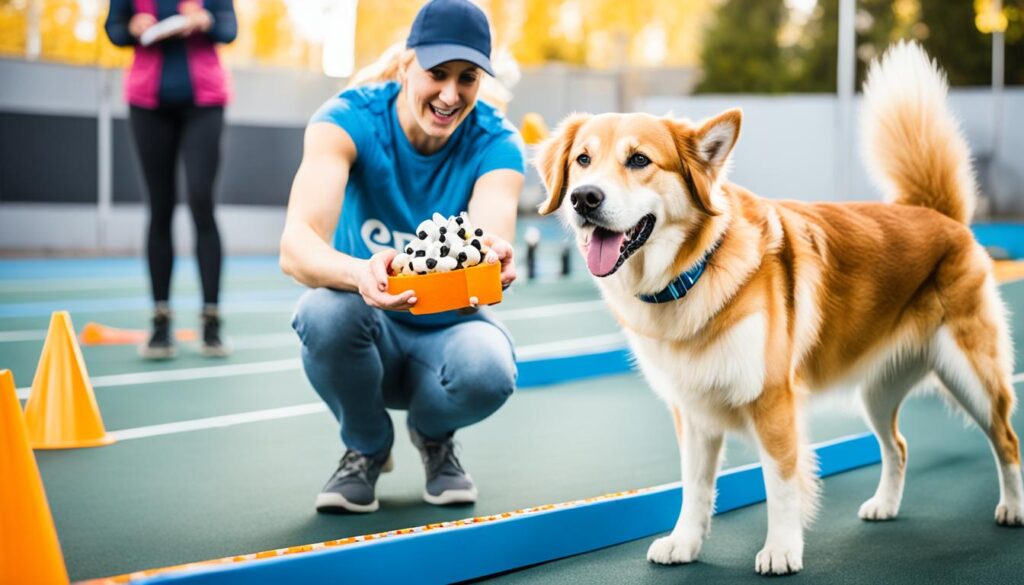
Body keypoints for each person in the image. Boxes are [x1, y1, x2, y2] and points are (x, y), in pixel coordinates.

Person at [280, 0, 525, 514]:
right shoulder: (347, 119)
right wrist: (360, 273)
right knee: (322, 312)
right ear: (406, 63)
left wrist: (493, 256)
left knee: (491, 369)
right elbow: (296, 246)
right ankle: (367, 446)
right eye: (437, 74)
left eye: (468, 78)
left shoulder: (497, 141)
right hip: (366, 326)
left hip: (448, 334)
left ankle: (433, 435)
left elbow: (490, 240)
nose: (450, 95)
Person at [104, 0, 236, 359]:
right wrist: (132, 26)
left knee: (201, 202)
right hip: (147, 102)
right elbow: (114, 29)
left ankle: (211, 321)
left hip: (204, 102)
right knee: (160, 208)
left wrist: (206, 19)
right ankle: (160, 323)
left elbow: (229, 29)